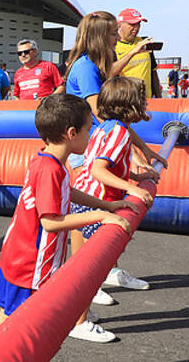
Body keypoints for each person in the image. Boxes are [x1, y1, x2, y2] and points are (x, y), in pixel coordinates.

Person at [0, 93, 132, 342]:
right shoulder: (50, 169)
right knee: (14, 320)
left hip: (22, 256)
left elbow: (69, 192)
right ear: (72, 133)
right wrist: (98, 216)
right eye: (89, 129)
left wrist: (105, 204)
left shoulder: (51, 160)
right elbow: (50, 222)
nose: (91, 135)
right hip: (29, 263)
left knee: (12, 316)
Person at [64, 11, 167, 302]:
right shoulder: (84, 68)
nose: (116, 38)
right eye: (112, 34)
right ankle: (84, 278)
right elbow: (104, 115)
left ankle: (106, 269)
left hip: (101, 145)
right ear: (100, 36)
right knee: (86, 220)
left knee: (106, 214)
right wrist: (133, 158)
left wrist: (141, 149)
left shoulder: (98, 65)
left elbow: (116, 122)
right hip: (89, 148)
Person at [70, 77, 159, 315]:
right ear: (131, 106)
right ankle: (81, 311)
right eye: (142, 101)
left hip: (85, 196)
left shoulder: (106, 127)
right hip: (95, 201)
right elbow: (98, 169)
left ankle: (83, 306)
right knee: (94, 262)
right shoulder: (119, 132)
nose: (145, 105)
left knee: (90, 258)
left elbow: (110, 164)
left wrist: (135, 177)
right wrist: (133, 189)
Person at [113, 9, 161, 98]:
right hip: (124, 101)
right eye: (132, 24)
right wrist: (133, 52)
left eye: (138, 23)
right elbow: (110, 73)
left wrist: (159, 97)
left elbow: (153, 72)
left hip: (147, 101)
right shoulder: (113, 46)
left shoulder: (144, 42)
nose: (136, 27)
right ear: (119, 24)